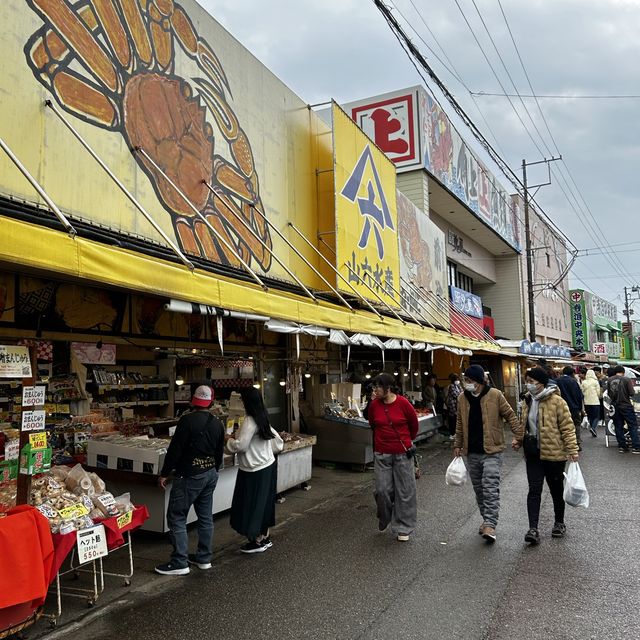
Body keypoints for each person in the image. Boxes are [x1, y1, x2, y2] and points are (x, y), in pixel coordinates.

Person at [156, 385, 224, 575]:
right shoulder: (217, 423)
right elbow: (219, 452)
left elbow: (175, 450)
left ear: (193, 401)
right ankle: (204, 558)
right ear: (210, 402)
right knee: (205, 516)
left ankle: (179, 562)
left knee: (177, 516)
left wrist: (164, 473)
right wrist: (214, 470)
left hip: (190, 474)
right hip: (210, 473)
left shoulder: (186, 421)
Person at [453, 365, 522, 543]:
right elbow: (460, 423)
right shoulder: (462, 398)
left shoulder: (495, 395)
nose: (466, 383)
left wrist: (519, 435)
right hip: (472, 452)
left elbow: (510, 415)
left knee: (490, 487)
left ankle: (491, 524)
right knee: (480, 490)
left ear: (479, 381)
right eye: (465, 380)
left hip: (493, 450)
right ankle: (486, 519)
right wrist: (457, 444)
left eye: (469, 380)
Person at [521, 367, 579, 545]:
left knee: (556, 490)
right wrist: (518, 439)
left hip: (554, 454)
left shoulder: (557, 402)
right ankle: (533, 528)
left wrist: (572, 450)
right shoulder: (527, 400)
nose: (529, 384)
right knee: (534, 489)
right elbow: (523, 424)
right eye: (527, 381)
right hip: (533, 453)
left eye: (532, 381)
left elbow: (567, 427)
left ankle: (559, 523)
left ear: (542, 383)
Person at [226, 388, 284, 553]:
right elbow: (277, 441)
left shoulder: (250, 421)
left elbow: (241, 445)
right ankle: (265, 537)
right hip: (267, 465)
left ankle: (256, 541)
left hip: (254, 469)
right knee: (264, 504)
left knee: (252, 505)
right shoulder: (262, 416)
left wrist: (229, 441)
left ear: (246, 402)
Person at [367, 372, 419, 542]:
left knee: (405, 492)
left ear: (388, 388)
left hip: (402, 453)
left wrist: (405, 441)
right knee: (382, 490)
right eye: (374, 386)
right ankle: (385, 515)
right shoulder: (374, 405)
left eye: (378, 387)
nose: (375, 390)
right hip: (382, 453)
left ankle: (403, 527)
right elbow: (372, 423)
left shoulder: (404, 403)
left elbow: (414, 426)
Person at [606, 365, 640, 454]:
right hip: (626, 405)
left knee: (618, 426)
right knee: (632, 425)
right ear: (623, 372)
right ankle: (636, 447)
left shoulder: (609, 380)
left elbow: (609, 393)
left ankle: (622, 446)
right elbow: (632, 393)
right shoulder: (626, 379)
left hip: (615, 406)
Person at [554, 366, 584, 451]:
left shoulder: (557, 381)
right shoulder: (574, 382)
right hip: (574, 408)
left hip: (560, 408)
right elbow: (579, 396)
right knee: (575, 425)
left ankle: (563, 443)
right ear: (572, 373)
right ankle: (576, 443)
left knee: (561, 426)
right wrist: (580, 409)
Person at [581, 369, 602, 437]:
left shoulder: (584, 382)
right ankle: (593, 428)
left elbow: (582, 392)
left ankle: (593, 430)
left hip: (587, 402)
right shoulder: (596, 382)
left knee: (590, 417)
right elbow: (598, 393)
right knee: (596, 417)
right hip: (595, 402)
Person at [444, 373, 462, 440]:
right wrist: (460, 395)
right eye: (457, 379)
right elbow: (456, 395)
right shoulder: (451, 386)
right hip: (453, 406)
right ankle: (452, 434)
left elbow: (462, 393)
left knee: (457, 420)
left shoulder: (458, 386)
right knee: (453, 420)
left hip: (458, 405)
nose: (458, 380)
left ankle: (457, 433)